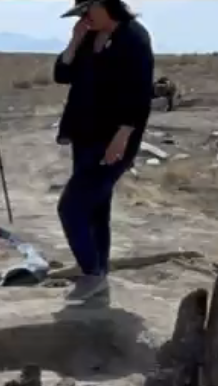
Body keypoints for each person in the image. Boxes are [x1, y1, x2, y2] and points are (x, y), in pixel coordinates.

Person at [53, 0, 155, 305]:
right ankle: (99, 274)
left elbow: (140, 93)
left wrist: (122, 136)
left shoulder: (134, 37)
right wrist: (74, 40)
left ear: (105, 4)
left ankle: (92, 274)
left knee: (70, 208)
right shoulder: (87, 38)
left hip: (113, 139)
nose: (85, 17)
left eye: (88, 10)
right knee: (97, 211)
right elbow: (62, 74)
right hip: (84, 136)